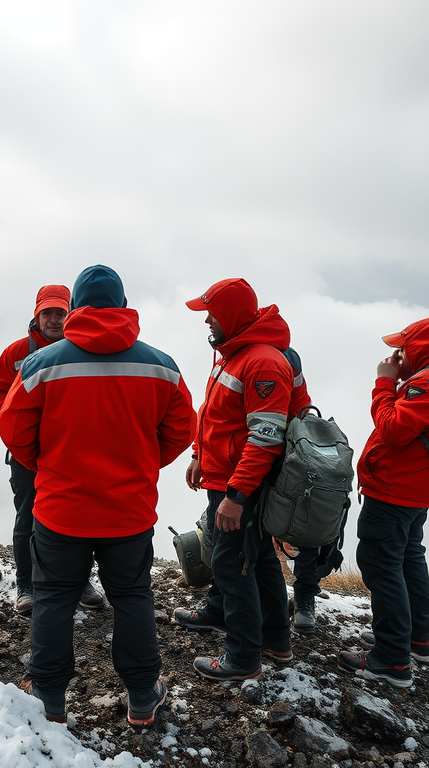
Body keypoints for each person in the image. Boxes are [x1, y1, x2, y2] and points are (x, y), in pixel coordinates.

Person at [0, 265, 196, 727]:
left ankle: (48, 697)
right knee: (132, 597)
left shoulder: (41, 364)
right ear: (123, 306)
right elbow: (180, 431)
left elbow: (14, 432)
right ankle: (144, 695)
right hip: (128, 510)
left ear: (77, 307)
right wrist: (142, 462)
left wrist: (50, 463)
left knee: (52, 598)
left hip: (60, 509)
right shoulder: (161, 365)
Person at [178, 278, 309, 683]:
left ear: (230, 315)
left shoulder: (262, 362)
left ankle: (242, 657)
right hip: (226, 476)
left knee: (231, 562)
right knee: (260, 559)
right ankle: (274, 640)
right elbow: (217, 415)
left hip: (244, 484)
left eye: (211, 315)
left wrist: (236, 495)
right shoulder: (233, 353)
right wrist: (200, 453)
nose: (207, 323)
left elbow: (265, 436)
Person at [337, 316, 429, 688]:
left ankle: (391, 660)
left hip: (396, 490)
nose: (396, 353)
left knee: (379, 563)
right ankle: (415, 639)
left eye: (402, 347)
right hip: (417, 489)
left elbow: (392, 430)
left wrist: (384, 382)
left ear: (419, 348)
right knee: (408, 556)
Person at [0, 284, 105, 616]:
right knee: (27, 516)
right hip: (27, 454)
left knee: (78, 516)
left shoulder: (84, 349)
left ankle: (81, 582)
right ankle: (26, 585)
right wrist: (15, 425)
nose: (53, 319)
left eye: (59, 313)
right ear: (36, 315)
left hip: (72, 453)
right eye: (47, 313)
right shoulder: (16, 353)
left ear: (70, 313)